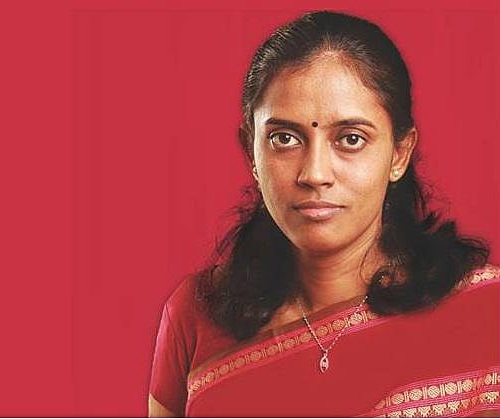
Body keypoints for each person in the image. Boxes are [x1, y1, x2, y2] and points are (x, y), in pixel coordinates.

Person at [148, 10, 499, 417]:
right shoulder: (195, 313)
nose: (314, 174)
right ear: (251, 152)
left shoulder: (486, 315)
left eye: (350, 139)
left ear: (399, 154)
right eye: (285, 139)